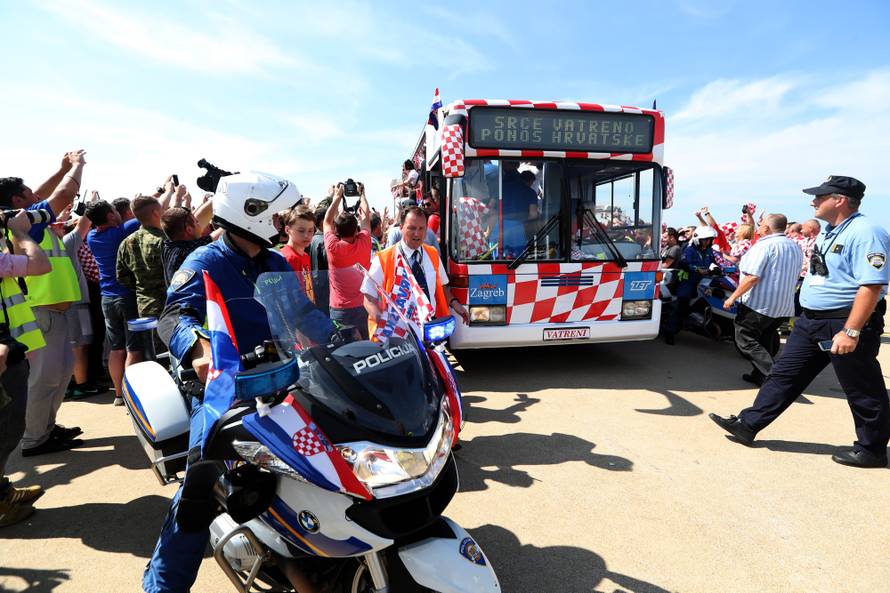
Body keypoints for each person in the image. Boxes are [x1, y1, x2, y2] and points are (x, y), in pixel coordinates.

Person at [145, 172, 331, 593]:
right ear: (253, 215)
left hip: (278, 380)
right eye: (278, 214)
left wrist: (346, 338)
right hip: (218, 391)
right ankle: (164, 586)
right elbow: (172, 317)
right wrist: (197, 349)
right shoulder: (204, 262)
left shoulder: (274, 263)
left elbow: (302, 314)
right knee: (200, 488)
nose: (284, 222)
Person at [710, 176, 890, 468]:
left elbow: (870, 286)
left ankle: (872, 449)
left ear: (840, 200)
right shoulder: (830, 231)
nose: (813, 201)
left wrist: (851, 330)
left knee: (862, 387)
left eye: (820, 196)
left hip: (844, 321)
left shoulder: (866, 231)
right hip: (811, 321)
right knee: (784, 375)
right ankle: (749, 424)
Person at [0, 151, 85, 456]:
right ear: (17, 201)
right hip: (41, 311)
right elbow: (61, 194)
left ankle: (45, 429)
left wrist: (62, 167)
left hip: (54, 312)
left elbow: (44, 193)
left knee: (59, 375)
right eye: (28, 192)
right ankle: (35, 437)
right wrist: (76, 166)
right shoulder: (26, 226)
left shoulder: (27, 220)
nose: (36, 193)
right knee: (44, 380)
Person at [0, 210, 51, 527]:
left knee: (8, 427)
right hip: (4, 354)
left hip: (9, 349)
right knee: (5, 429)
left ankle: (2, 492)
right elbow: (39, 264)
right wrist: (19, 232)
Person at [362, 206, 468, 337]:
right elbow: (368, 297)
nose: (417, 234)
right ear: (401, 228)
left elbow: (442, 287)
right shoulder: (383, 259)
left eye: (421, 228)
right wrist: (382, 321)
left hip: (430, 330)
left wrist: (456, 305)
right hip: (397, 335)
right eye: (412, 228)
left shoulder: (433, 254)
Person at [722, 214, 803, 386]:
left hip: (760, 304)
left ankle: (776, 376)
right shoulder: (794, 246)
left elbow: (752, 277)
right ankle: (759, 375)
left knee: (745, 339)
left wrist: (733, 297)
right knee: (764, 339)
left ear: (766, 228)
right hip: (783, 306)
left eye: (761, 225)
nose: (758, 228)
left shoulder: (764, 246)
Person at [86, 199, 141, 405]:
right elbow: (149, 211)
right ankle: (133, 397)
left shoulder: (91, 237)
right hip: (126, 296)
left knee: (116, 348)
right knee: (133, 347)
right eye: (114, 211)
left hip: (106, 298)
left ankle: (118, 394)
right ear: (110, 216)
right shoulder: (120, 232)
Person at [323, 183, 371, 338]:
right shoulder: (364, 242)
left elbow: (327, 221)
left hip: (340, 310)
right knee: (368, 348)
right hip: (364, 305)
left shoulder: (332, 247)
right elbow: (366, 215)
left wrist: (337, 196)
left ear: (337, 231)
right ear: (356, 230)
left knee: (345, 352)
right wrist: (362, 194)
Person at [663, 226, 718, 345]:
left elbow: (715, 261)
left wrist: (718, 268)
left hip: (703, 281)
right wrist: (696, 269)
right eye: (705, 239)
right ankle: (669, 332)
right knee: (682, 304)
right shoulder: (689, 250)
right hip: (688, 280)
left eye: (709, 239)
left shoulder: (709, 251)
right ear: (698, 239)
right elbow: (684, 263)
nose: (708, 242)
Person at [117, 196, 168, 320]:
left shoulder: (126, 242)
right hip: (168, 306)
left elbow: (122, 277)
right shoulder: (165, 240)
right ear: (156, 213)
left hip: (144, 306)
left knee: (149, 339)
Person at [160, 200, 215, 286]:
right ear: (189, 230)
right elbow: (220, 234)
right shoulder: (188, 249)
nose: (200, 225)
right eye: (197, 222)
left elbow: (198, 218)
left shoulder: (168, 247)